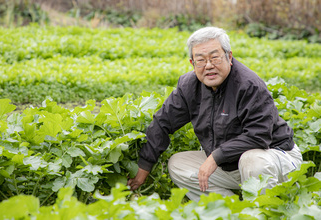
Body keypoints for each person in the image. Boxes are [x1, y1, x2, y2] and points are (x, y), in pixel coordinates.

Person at [127, 26, 303, 201]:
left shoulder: (249, 85)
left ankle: (262, 210)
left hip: (275, 157)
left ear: (229, 57)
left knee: (252, 160)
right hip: (229, 165)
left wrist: (215, 157)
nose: (209, 66)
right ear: (192, 63)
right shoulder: (189, 86)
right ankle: (230, 210)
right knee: (178, 165)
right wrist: (143, 168)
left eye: (215, 57)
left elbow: (259, 136)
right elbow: (162, 123)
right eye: (201, 60)